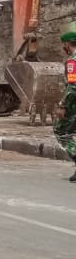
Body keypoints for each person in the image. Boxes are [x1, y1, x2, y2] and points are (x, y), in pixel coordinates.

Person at [54, 27, 76, 182]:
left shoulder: (72, 62)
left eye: (64, 45)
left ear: (68, 44)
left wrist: (63, 105)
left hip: (73, 104)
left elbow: (73, 85)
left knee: (61, 131)